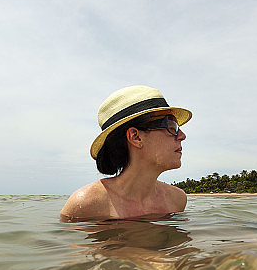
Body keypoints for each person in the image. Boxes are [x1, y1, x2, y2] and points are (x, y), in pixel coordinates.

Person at [61, 85, 191, 221]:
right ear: (136, 137)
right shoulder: (86, 205)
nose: (182, 135)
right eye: (172, 127)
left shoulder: (177, 200)